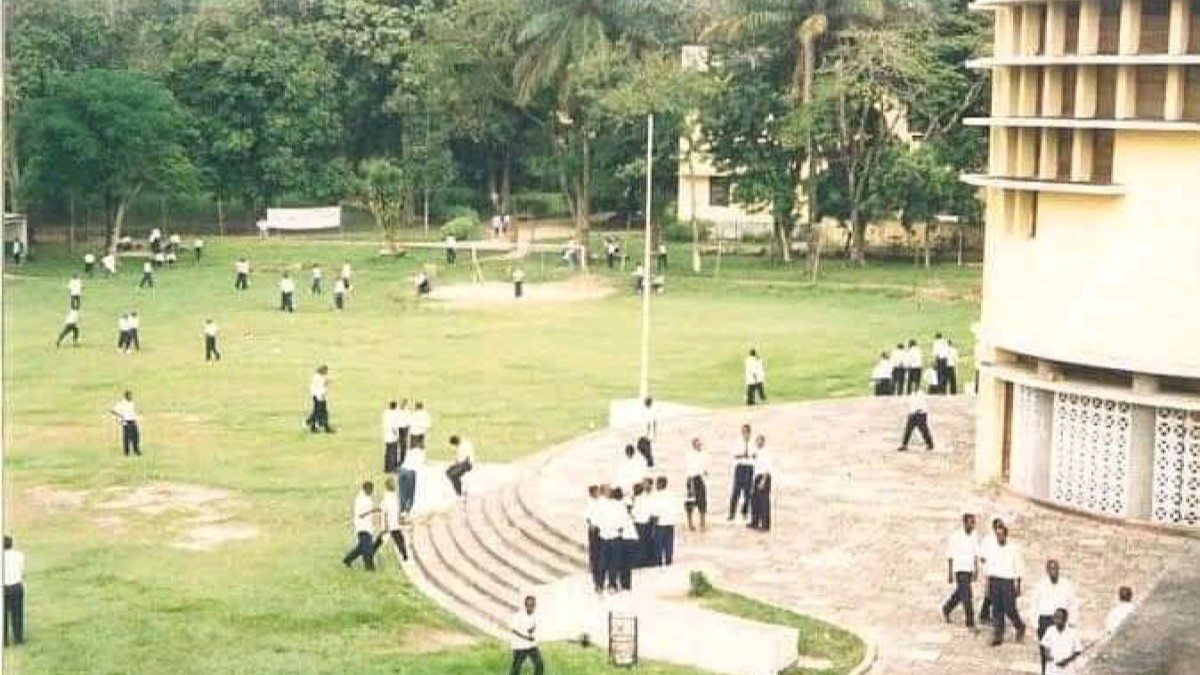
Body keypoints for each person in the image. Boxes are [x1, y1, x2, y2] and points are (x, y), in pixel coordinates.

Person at [1034, 560, 1079, 675]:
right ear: (1047, 570)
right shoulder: (1041, 585)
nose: (1053, 571)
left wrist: (1072, 621)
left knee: (1062, 649)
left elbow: (1073, 602)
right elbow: (1034, 603)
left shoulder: (1066, 584)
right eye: (1051, 569)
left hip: (1061, 619)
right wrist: (1035, 623)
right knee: (1046, 651)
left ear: (1058, 570)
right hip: (1045, 619)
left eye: (1055, 569)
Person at [986, 522, 1026, 646]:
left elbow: (1019, 567)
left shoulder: (1013, 549)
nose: (999, 538)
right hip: (995, 580)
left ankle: (1019, 626)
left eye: (1001, 535)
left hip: (1008, 581)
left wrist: (1018, 586)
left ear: (1005, 535)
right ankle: (998, 634)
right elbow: (989, 567)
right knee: (997, 609)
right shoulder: (992, 548)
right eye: (997, 535)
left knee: (1009, 608)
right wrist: (987, 585)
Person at [942, 513, 979, 631]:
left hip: (968, 569)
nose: (972, 525)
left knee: (961, 593)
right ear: (965, 523)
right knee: (967, 596)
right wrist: (950, 572)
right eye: (970, 522)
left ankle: (947, 608)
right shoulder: (956, 536)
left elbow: (976, 554)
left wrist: (976, 569)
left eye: (973, 522)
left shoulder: (974, 536)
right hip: (959, 568)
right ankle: (970, 623)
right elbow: (950, 554)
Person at [342, 482, 378, 571]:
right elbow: (361, 514)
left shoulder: (366, 498)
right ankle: (369, 567)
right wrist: (373, 510)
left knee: (362, 547)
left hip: (367, 527)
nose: (372, 493)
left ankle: (347, 559)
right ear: (367, 489)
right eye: (371, 491)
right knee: (367, 549)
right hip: (362, 527)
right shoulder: (361, 500)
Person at [373, 477, 409, 567]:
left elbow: (385, 511)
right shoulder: (392, 498)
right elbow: (388, 511)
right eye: (394, 484)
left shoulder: (390, 497)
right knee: (398, 540)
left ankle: (404, 554)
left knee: (382, 540)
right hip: (391, 524)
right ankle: (404, 554)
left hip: (391, 524)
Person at [978, 517, 1005, 626]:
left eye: (1001, 526)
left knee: (992, 595)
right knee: (991, 594)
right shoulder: (988, 540)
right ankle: (990, 615)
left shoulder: (1003, 538)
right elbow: (982, 557)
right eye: (997, 526)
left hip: (1001, 571)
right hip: (991, 570)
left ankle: (985, 614)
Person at [1039, 608, 1082, 675]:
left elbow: (1078, 651)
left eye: (1059, 618)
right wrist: (1047, 655)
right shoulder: (1050, 630)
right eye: (1055, 617)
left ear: (1065, 619)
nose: (1056, 620)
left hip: (1068, 669)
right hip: (1052, 669)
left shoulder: (1073, 633)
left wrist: (1066, 661)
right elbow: (1045, 645)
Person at [508, 595, 544, 675]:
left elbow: (534, 626)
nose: (531, 607)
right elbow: (514, 630)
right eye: (529, 605)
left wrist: (532, 629)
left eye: (533, 605)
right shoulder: (518, 615)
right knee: (516, 667)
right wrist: (526, 637)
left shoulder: (535, 615)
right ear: (525, 605)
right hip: (519, 645)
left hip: (531, 645)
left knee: (539, 663)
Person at [596, 487, 622, 593]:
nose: (610, 491)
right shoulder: (602, 504)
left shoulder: (617, 505)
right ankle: (601, 584)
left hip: (612, 535)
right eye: (607, 490)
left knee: (612, 562)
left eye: (610, 490)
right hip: (606, 536)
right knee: (604, 562)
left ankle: (610, 584)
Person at [729, 424, 755, 521]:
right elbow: (734, 455)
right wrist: (743, 455)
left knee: (748, 493)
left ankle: (744, 511)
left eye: (747, 431)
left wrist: (750, 455)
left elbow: (755, 455)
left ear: (749, 432)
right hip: (740, 467)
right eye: (743, 431)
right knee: (736, 491)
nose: (745, 433)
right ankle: (732, 513)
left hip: (749, 467)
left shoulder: (753, 443)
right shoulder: (737, 442)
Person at [651, 476, 679, 566]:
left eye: (657, 484)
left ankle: (659, 564)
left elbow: (656, 511)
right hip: (670, 523)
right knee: (669, 546)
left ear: (660, 484)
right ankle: (668, 562)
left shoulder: (657, 496)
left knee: (658, 547)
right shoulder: (672, 495)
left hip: (661, 523)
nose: (656, 485)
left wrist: (653, 523)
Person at [4, 535, 25, 646]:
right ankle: (18, 639)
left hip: (4, 587)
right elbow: (22, 570)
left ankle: (4, 640)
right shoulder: (19, 555)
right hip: (16, 586)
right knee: (17, 613)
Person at [748, 434, 772, 531]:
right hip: (757, 477)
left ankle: (765, 525)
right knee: (755, 501)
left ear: (763, 441)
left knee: (764, 502)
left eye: (760, 441)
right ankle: (755, 522)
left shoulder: (766, 452)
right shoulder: (758, 452)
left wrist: (763, 480)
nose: (758, 442)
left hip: (764, 477)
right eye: (757, 441)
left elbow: (767, 467)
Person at [684, 437, 708, 532]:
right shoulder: (689, 455)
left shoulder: (702, 455)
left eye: (700, 444)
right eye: (697, 444)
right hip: (691, 479)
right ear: (693, 445)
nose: (699, 446)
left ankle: (702, 523)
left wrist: (704, 471)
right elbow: (691, 468)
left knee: (702, 501)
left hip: (699, 478)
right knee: (691, 502)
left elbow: (702, 467)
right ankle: (690, 524)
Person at [585, 486, 606, 592]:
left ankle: (601, 581)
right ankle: (597, 582)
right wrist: (591, 525)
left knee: (601, 556)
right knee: (595, 556)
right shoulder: (589, 504)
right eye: (597, 492)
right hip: (594, 531)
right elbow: (587, 518)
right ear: (592, 493)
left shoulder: (602, 502)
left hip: (602, 530)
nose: (598, 493)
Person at [631, 482, 656, 567]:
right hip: (648, 523)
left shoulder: (637, 500)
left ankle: (640, 562)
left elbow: (633, 513)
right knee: (648, 542)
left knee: (640, 544)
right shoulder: (647, 499)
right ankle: (649, 561)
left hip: (639, 524)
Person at [110, 390, 141, 457]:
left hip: (133, 421)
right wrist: (121, 416)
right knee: (127, 438)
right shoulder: (121, 403)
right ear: (126, 396)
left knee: (136, 436)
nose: (131, 397)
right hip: (126, 422)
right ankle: (126, 452)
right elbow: (113, 411)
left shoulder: (132, 403)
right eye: (130, 395)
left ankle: (136, 450)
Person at [306, 365, 334, 433]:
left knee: (318, 412)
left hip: (318, 396)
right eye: (326, 371)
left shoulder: (317, 376)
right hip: (320, 397)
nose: (326, 373)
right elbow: (321, 386)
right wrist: (327, 382)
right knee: (320, 412)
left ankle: (315, 424)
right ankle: (314, 425)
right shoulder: (319, 378)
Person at [398, 442, 424, 515]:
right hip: (410, 473)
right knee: (410, 494)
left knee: (402, 492)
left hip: (402, 471)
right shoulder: (422, 453)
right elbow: (419, 467)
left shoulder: (409, 451)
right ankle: (407, 512)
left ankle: (401, 510)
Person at [382, 401, 402, 473]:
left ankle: (386, 467)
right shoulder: (393, 415)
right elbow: (394, 426)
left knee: (387, 452)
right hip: (392, 436)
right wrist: (397, 435)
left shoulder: (386, 413)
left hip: (386, 435)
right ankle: (392, 468)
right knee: (393, 453)